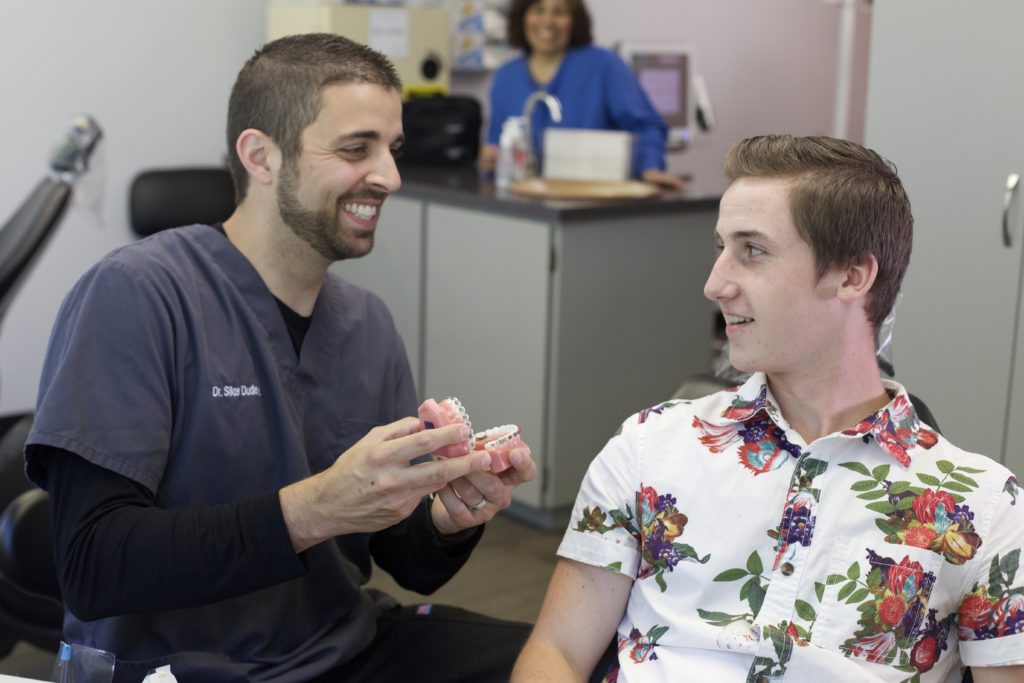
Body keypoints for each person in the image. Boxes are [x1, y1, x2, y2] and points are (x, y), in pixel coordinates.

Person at [25, 33, 537, 683]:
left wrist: (451, 516)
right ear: (260, 156)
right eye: (357, 148)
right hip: (173, 667)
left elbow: (405, 560)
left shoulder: (367, 325)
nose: (390, 176)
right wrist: (316, 505)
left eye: (392, 149)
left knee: (571, 660)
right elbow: (95, 564)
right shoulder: (137, 296)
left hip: (333, 648)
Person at [512, 135, 1024, 682]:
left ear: (852, 276)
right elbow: (558, 652)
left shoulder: (986, 510)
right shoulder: (648, 447)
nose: (714, 284)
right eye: (720, 248)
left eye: (752, 250)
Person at [480, 0, 684, 190]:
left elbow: (647, 125)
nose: (548, 21)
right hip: (526, 206)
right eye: (538, 10)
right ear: (522, 16)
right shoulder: (506, 76)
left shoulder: (605, 66)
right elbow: (496, 143)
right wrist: (490, 158)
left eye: (559, 12)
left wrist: (650, 167)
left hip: (594, 204)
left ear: (574, 21)